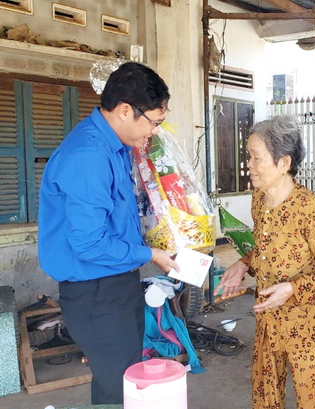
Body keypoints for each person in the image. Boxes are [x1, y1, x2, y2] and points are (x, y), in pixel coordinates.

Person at [38, 62, 179, 405]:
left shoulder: (114, 147)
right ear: (125, 110)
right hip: (96, 292)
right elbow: (89, 243)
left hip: (113, 283)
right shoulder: (89, 155)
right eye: (153, 122)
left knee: (117, 380)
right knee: (121, 386)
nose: (154, 132)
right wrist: (150, 254)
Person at [215, 115, 315, 409]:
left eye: (256, 157)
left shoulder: (309, 209)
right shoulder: (259, 198)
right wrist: (244, 264)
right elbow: (267, 247)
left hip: (310, 325)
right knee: (266, 396)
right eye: (248, 156)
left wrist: (292, 288)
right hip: (269, 319)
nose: (249, 165)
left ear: (284, 163)